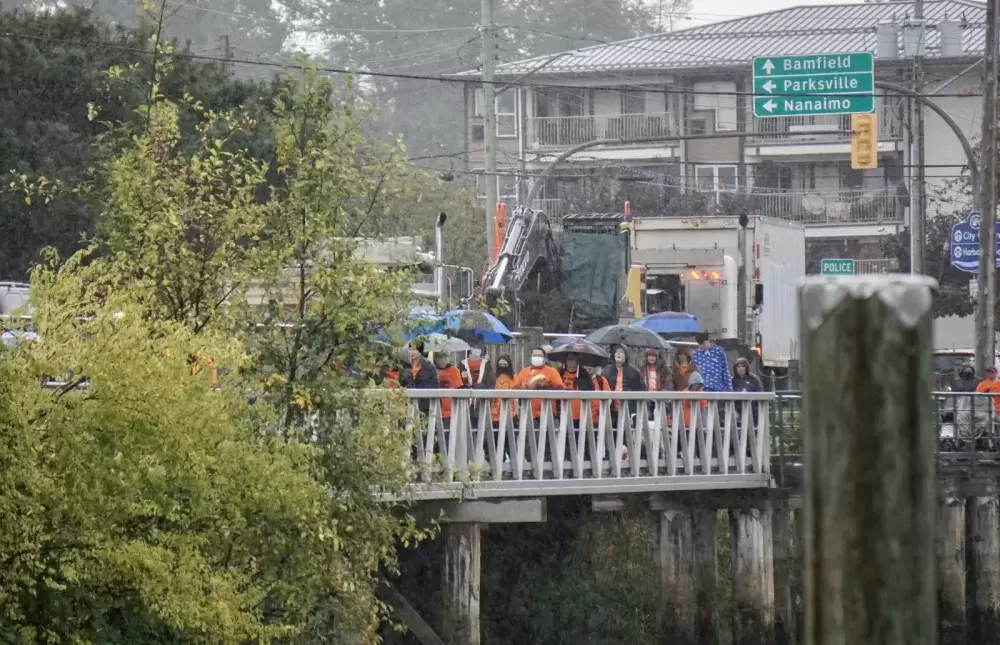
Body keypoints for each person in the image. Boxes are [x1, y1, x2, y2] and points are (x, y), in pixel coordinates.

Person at [512, 347, 565, 422]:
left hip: (547, 413)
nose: (537, 357)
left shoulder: (552, 371)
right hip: (527, 413)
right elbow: (514, 389)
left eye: (539, 355)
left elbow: (560, 389)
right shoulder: (524, 372)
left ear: (544, 359)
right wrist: (524, 388)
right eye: (534, 355)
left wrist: (545, 386)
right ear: (531, 358)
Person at [604, 344, 642, 426]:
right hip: (610, 410)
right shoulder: (606, 370)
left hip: (628, 410)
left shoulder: (634, 371)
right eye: (616, 352)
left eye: (621, 352)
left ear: (626, 356)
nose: (618, 354)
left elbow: (642, 388)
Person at [400, 339, 439, 413]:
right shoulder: (404, 365)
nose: (411, 352)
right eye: (410, 349)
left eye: (414, 350)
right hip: (407, 405)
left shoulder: (429, 367)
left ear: (420, 351)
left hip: (425, 406)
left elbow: (435, 385)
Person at [434, 351, 464, 427]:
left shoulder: (454, 370)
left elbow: (460, 389)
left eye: (445, 358)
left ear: (448, 359)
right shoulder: (433, 371)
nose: (442, 361)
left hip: (450, 411)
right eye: (440, 358)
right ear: (436, 359)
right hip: (435, 410)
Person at [641, 348, 672, 420]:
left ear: (657, 357)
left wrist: (664, 391)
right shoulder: (643, 368)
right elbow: (641, 382)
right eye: (649, 356)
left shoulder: (663, 369)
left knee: (661, 418)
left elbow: (668, 382)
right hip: (647, 396)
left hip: (660, 396)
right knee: (648, 418)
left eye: (653, 356)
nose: (651, 358)